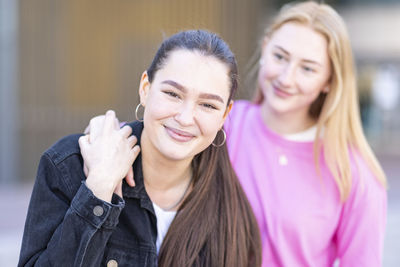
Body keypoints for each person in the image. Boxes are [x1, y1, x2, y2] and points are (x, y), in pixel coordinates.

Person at [86, 2, 388, 266]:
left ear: (329, 80)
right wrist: (105, 130)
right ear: (265, 47)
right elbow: (157, 132)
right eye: (280, 56)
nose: (286, 77)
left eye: (308, 69)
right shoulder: (220, 126)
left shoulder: (355, 173)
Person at [18, 30, 261, 267]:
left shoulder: (231, 212)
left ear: (225, 114)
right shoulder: (71, 164)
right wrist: (100, 186)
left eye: (207, 105)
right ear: (145, 88)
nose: (186, 118)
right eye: (172, 94)